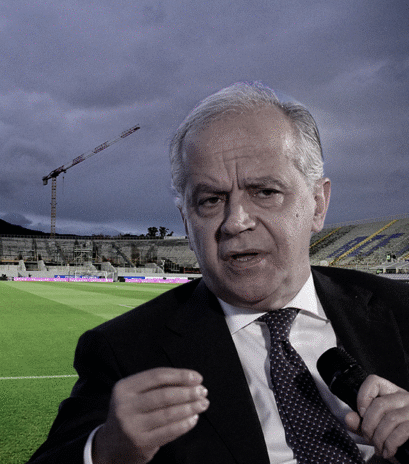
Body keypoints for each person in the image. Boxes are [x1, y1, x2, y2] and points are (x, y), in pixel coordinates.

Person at [27, 82, 409, 464]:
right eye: (211, 200)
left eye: (265, 192)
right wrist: (109, 449)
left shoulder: (401, 310)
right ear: (186, 221)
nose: (236, 221)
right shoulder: (124, 350)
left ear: (318, 204)